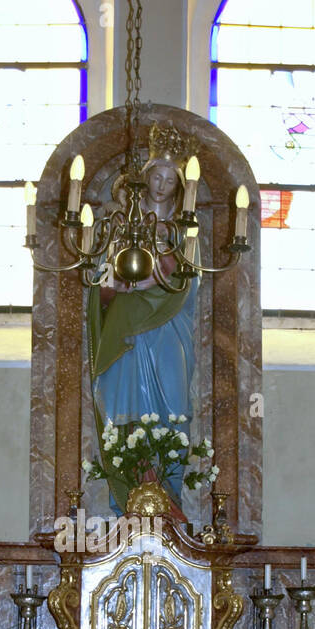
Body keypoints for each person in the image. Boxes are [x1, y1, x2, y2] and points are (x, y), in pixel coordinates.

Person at [87, 139, 197, 513]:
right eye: (157, 175)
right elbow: (101, 281)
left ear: (179, 186)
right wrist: (115, 286)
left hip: (169, 331)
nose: (162, 184)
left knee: (172, 408)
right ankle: (128, 505)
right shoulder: (120, 227)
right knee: (126, 411)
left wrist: (151, 283)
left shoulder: (183, 232)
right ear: (145, 178)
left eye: (170, 178)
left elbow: (187, 283)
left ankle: (170, 500)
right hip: (126, 331)